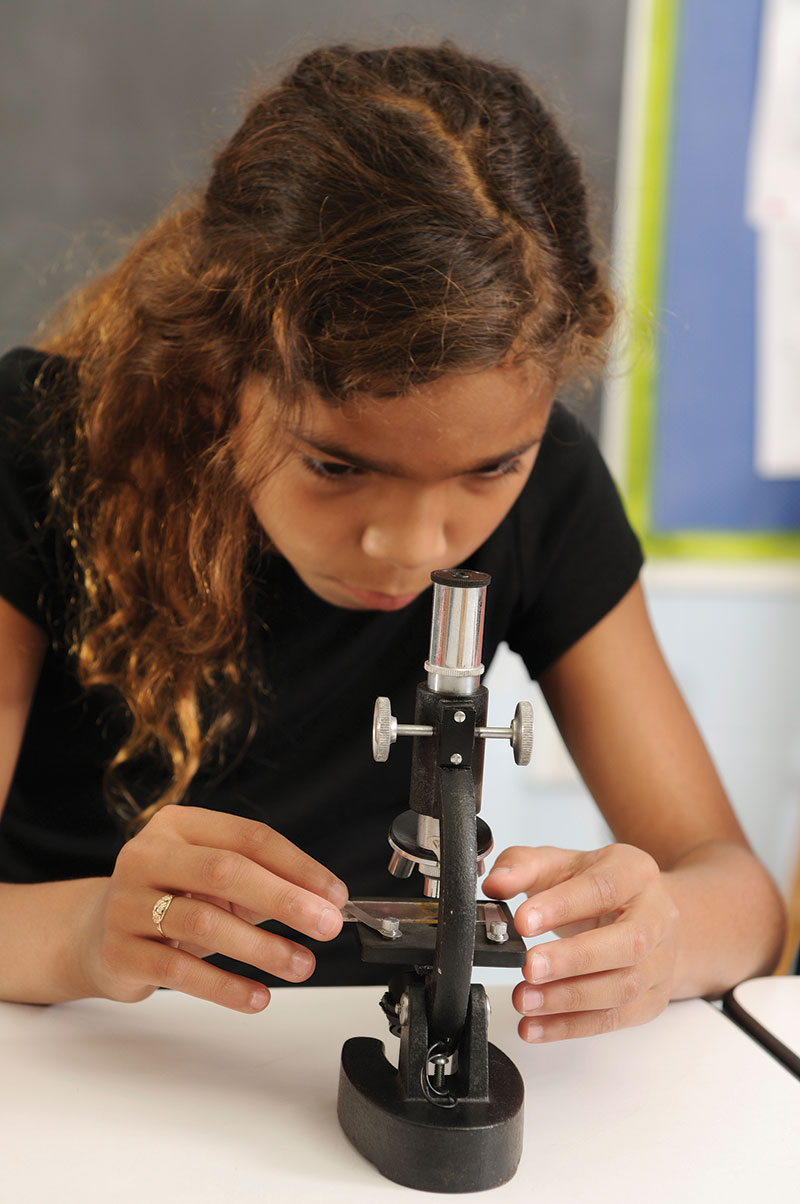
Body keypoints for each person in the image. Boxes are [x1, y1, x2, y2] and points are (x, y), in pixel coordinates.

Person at [0, 43, 784, 1043]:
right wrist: (85, 931)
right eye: (335, 466)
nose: (410, 546)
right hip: (62, 1046)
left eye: (488, 469)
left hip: (343, 1041)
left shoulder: (554, 489)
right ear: (220, 368)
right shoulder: (34, 447)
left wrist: (662, 932)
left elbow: (742, 898)